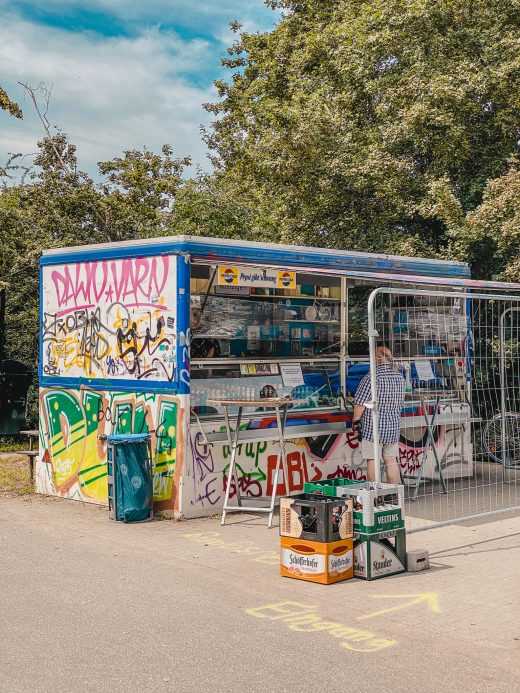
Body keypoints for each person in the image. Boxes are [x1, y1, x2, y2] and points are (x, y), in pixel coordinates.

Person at [352, 346, 405, 483]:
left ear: (378, 358)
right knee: (391, 460)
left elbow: (360, 404)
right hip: (392, 426)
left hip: (372, 428)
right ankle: (393, 494)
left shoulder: (371, 377)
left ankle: (375, 496)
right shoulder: (399, 377)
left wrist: (356, 423)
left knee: (373, 460)